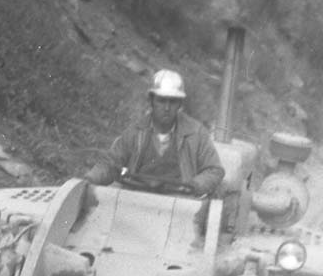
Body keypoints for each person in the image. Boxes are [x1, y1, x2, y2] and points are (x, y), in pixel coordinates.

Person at [84, 70, 225, 196]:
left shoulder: (196, 133)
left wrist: (194, 186)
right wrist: (89, 179)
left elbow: (214, 170)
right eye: (162, 101)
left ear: (180, 104)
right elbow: (110, 164)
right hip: (137, 200)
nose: (167, 108)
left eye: (173, 101)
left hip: (180, 205)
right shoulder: (135, 131)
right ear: (151, 100)